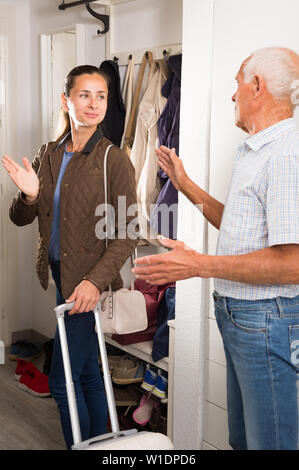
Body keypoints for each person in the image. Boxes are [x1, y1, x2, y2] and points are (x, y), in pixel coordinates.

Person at [132, 47, 299, 450]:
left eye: (237, 83)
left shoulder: (286, 154)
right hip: (243, 319)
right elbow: (243, 228)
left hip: (266, 322)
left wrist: (199, 264)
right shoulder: (257, 150)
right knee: (243, 440)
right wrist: (184, 184)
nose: (232, 95)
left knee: (270, 443)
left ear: (257, 86)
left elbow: (293, 264)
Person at [2, 65, 138, 449]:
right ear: (66, 100)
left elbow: (128, 231)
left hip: (87, 285)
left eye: (101, 96)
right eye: (84, 95)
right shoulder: (48, 154)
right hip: (60, 276)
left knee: (63, 382)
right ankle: (103, 446)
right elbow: (19, 218)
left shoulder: (114, 160)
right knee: (89, 374)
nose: (94, 104)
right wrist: (29, 194)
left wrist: (95, 282)